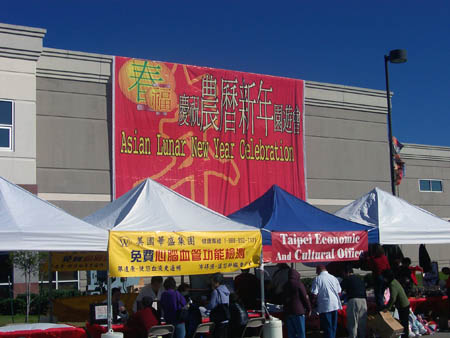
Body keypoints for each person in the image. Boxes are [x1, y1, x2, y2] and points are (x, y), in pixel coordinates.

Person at [311, 265, 342, 338]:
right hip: (335, 305)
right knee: (333, 326)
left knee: (328, 327)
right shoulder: (333, 278)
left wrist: (312, 303)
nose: (316, 272)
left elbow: (314, 294)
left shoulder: (317, 279)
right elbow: (339, 292)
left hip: (325, 306)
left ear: (319, 270)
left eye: (316, 271)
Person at [283, 267, 311, 338]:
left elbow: (283, 298)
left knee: (291, 333)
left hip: (288, 312)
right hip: (298, 311)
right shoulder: (299, 284)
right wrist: (309, 308)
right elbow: (304, 297)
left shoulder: (285, 285)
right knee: (301, 332)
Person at [382, 269, 410, 338]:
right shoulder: (394, 281)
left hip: (403, 305)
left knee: (404, 323)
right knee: (404, 323)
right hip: (404, 304)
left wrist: (387, 307)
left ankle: (405, 336)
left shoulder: (392, 284)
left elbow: (393, 298)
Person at [340, 266, 367, 338]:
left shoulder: (347, 279)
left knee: (352, 322)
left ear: (347, 272)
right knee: (362, 322)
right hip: (363, 301)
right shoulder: (359, 278)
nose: (343, 275)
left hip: (353, 300)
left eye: (343, 273)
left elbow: (339, 290)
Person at [207, 273, 230, 338]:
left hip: (218, 319)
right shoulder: (226, 290)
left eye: (212, 281)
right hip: (225, 317)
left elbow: (212, 305)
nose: (211, 283)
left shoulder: (215, 291)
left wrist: (205, 306)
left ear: (216, 282)